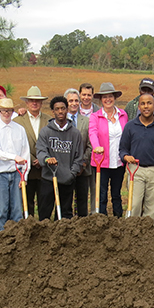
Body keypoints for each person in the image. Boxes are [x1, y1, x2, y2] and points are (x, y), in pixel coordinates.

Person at [119, 94, 154, 219]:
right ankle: (131, 232)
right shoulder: (130, 126)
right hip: (136, 169)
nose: (146, 106)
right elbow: (122, 149)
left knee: (152, 206)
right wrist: (126, 157)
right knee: (134, 204)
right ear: (139, 107)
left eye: (149, 103)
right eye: (143, 103)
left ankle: (148, 234)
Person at [36, 96, 85, 220]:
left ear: (67, 109)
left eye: (63, 108)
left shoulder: (75, 133)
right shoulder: (45, 132)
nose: (60, 111)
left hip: (67, 180)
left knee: (65, 215)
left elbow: (78, 157)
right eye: (57, 109)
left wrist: (71, 174)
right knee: (44, 213)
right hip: (49, 178)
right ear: (53, 111)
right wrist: (47, 159)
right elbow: (41, 151)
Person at [0, 98, 30, 231]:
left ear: (13, 111)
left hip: (17, 174)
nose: (7, 113)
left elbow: (25, 152)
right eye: (4, 111)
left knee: (17, 210)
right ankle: (0, 242)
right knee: (1, 211)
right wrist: (14, 157)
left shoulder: (20, 129)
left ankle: (17, 240)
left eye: (9, 111)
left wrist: (24, 175)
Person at [89, 82, 128, 217]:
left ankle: (118, 218)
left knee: (116, 193)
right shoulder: (95, 116)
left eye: (110, 96)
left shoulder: (123, 115)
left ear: (114, 98)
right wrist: (96, 147)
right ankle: (102, 219)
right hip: (102, 161)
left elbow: (126, 134)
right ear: (100, 100)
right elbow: (92, 133)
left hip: (118, 160)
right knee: (102, 193)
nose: (108, 100)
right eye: (104, 97)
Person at [14, 86, 51, 217]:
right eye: (31, 100)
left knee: (44, 202)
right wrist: (29, 159)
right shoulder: (17, 121)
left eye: (37, 100)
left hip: (44, 169)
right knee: (26, 201)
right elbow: (16, 144)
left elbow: (52, 143)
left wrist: (42, 159)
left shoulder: (49, 120)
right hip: (25, 169)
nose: (34, 103)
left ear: (41, 102)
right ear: (27, 103)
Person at [64, 88, 93, 216]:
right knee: (66, 199)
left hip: (82, 169)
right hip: (65, 169)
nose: (74, 103)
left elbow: (90, 145)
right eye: (70, 101)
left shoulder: (86, 121)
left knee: (82, 200)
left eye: (76, 100)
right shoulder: (61, 121)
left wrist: (84, 162)